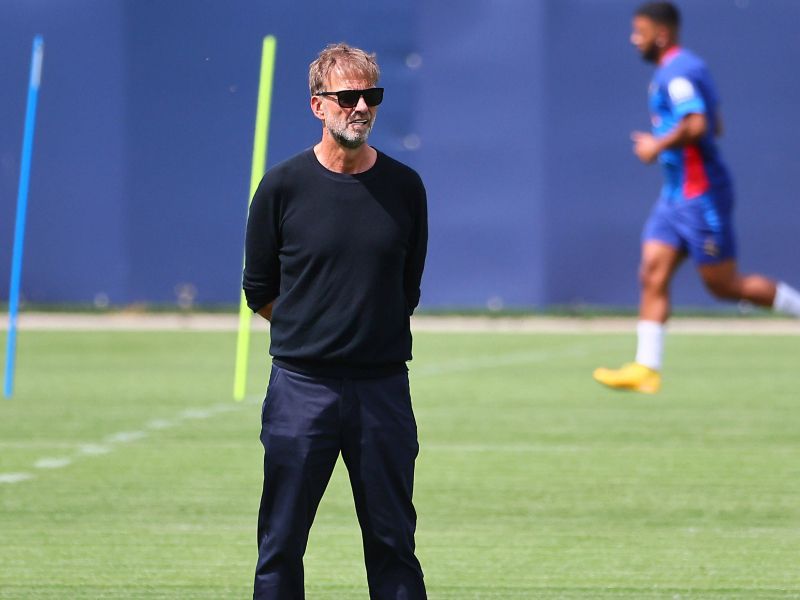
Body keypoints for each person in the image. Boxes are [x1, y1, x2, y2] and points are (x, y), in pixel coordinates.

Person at [243, 43, 428, 599]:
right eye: (347, 97)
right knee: (281, 544)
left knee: (394, 544)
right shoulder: (282, 187)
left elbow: (408, 288)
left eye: (371, 95)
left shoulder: (405, 188)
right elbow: (259, 290)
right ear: (317, 105)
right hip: (301, 390)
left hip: (383, 391)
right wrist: (313, 332)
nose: (361, 107)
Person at [593, 1, 800, 394]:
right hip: (674, 196)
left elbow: (699, 124)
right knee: (652, 270)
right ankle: (646, 368)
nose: (634, 39)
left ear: (661, 34)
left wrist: (657, 145)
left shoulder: (677, 73)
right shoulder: (686, 67)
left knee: (724, 285)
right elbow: (716, 123)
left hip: (699, 195)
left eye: (640, 32)